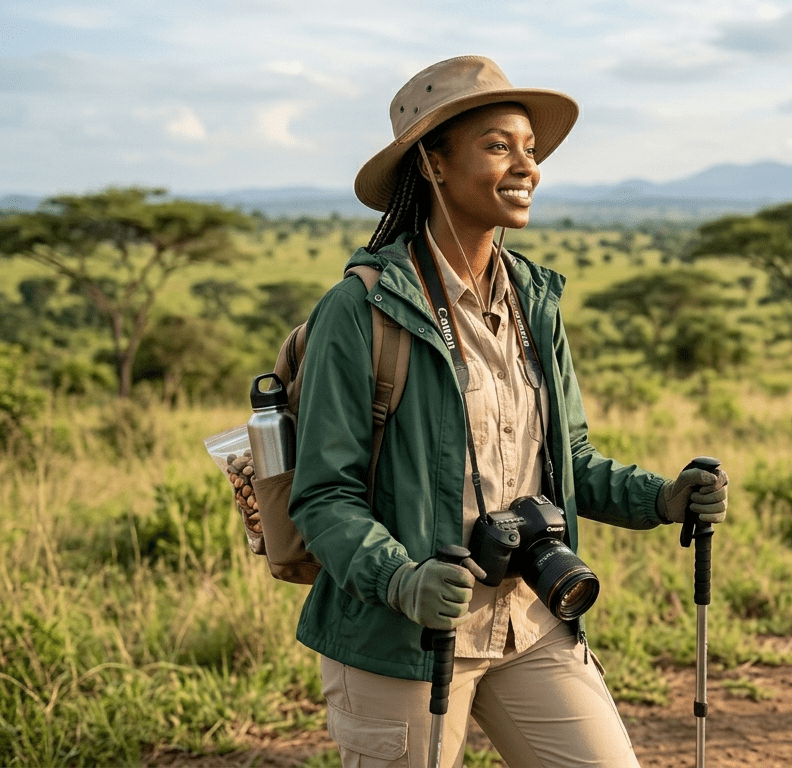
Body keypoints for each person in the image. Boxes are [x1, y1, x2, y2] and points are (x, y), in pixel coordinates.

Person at [288, 55, 728, 768]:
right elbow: (324, 496)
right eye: (499, 146)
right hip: (404, 638)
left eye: (530, 148)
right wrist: (403, 580)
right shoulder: (361, 310)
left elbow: (568, 460)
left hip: (530, 618)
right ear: (432, 163)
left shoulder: (533, 299)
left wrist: (664, 499)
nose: (527, 166)